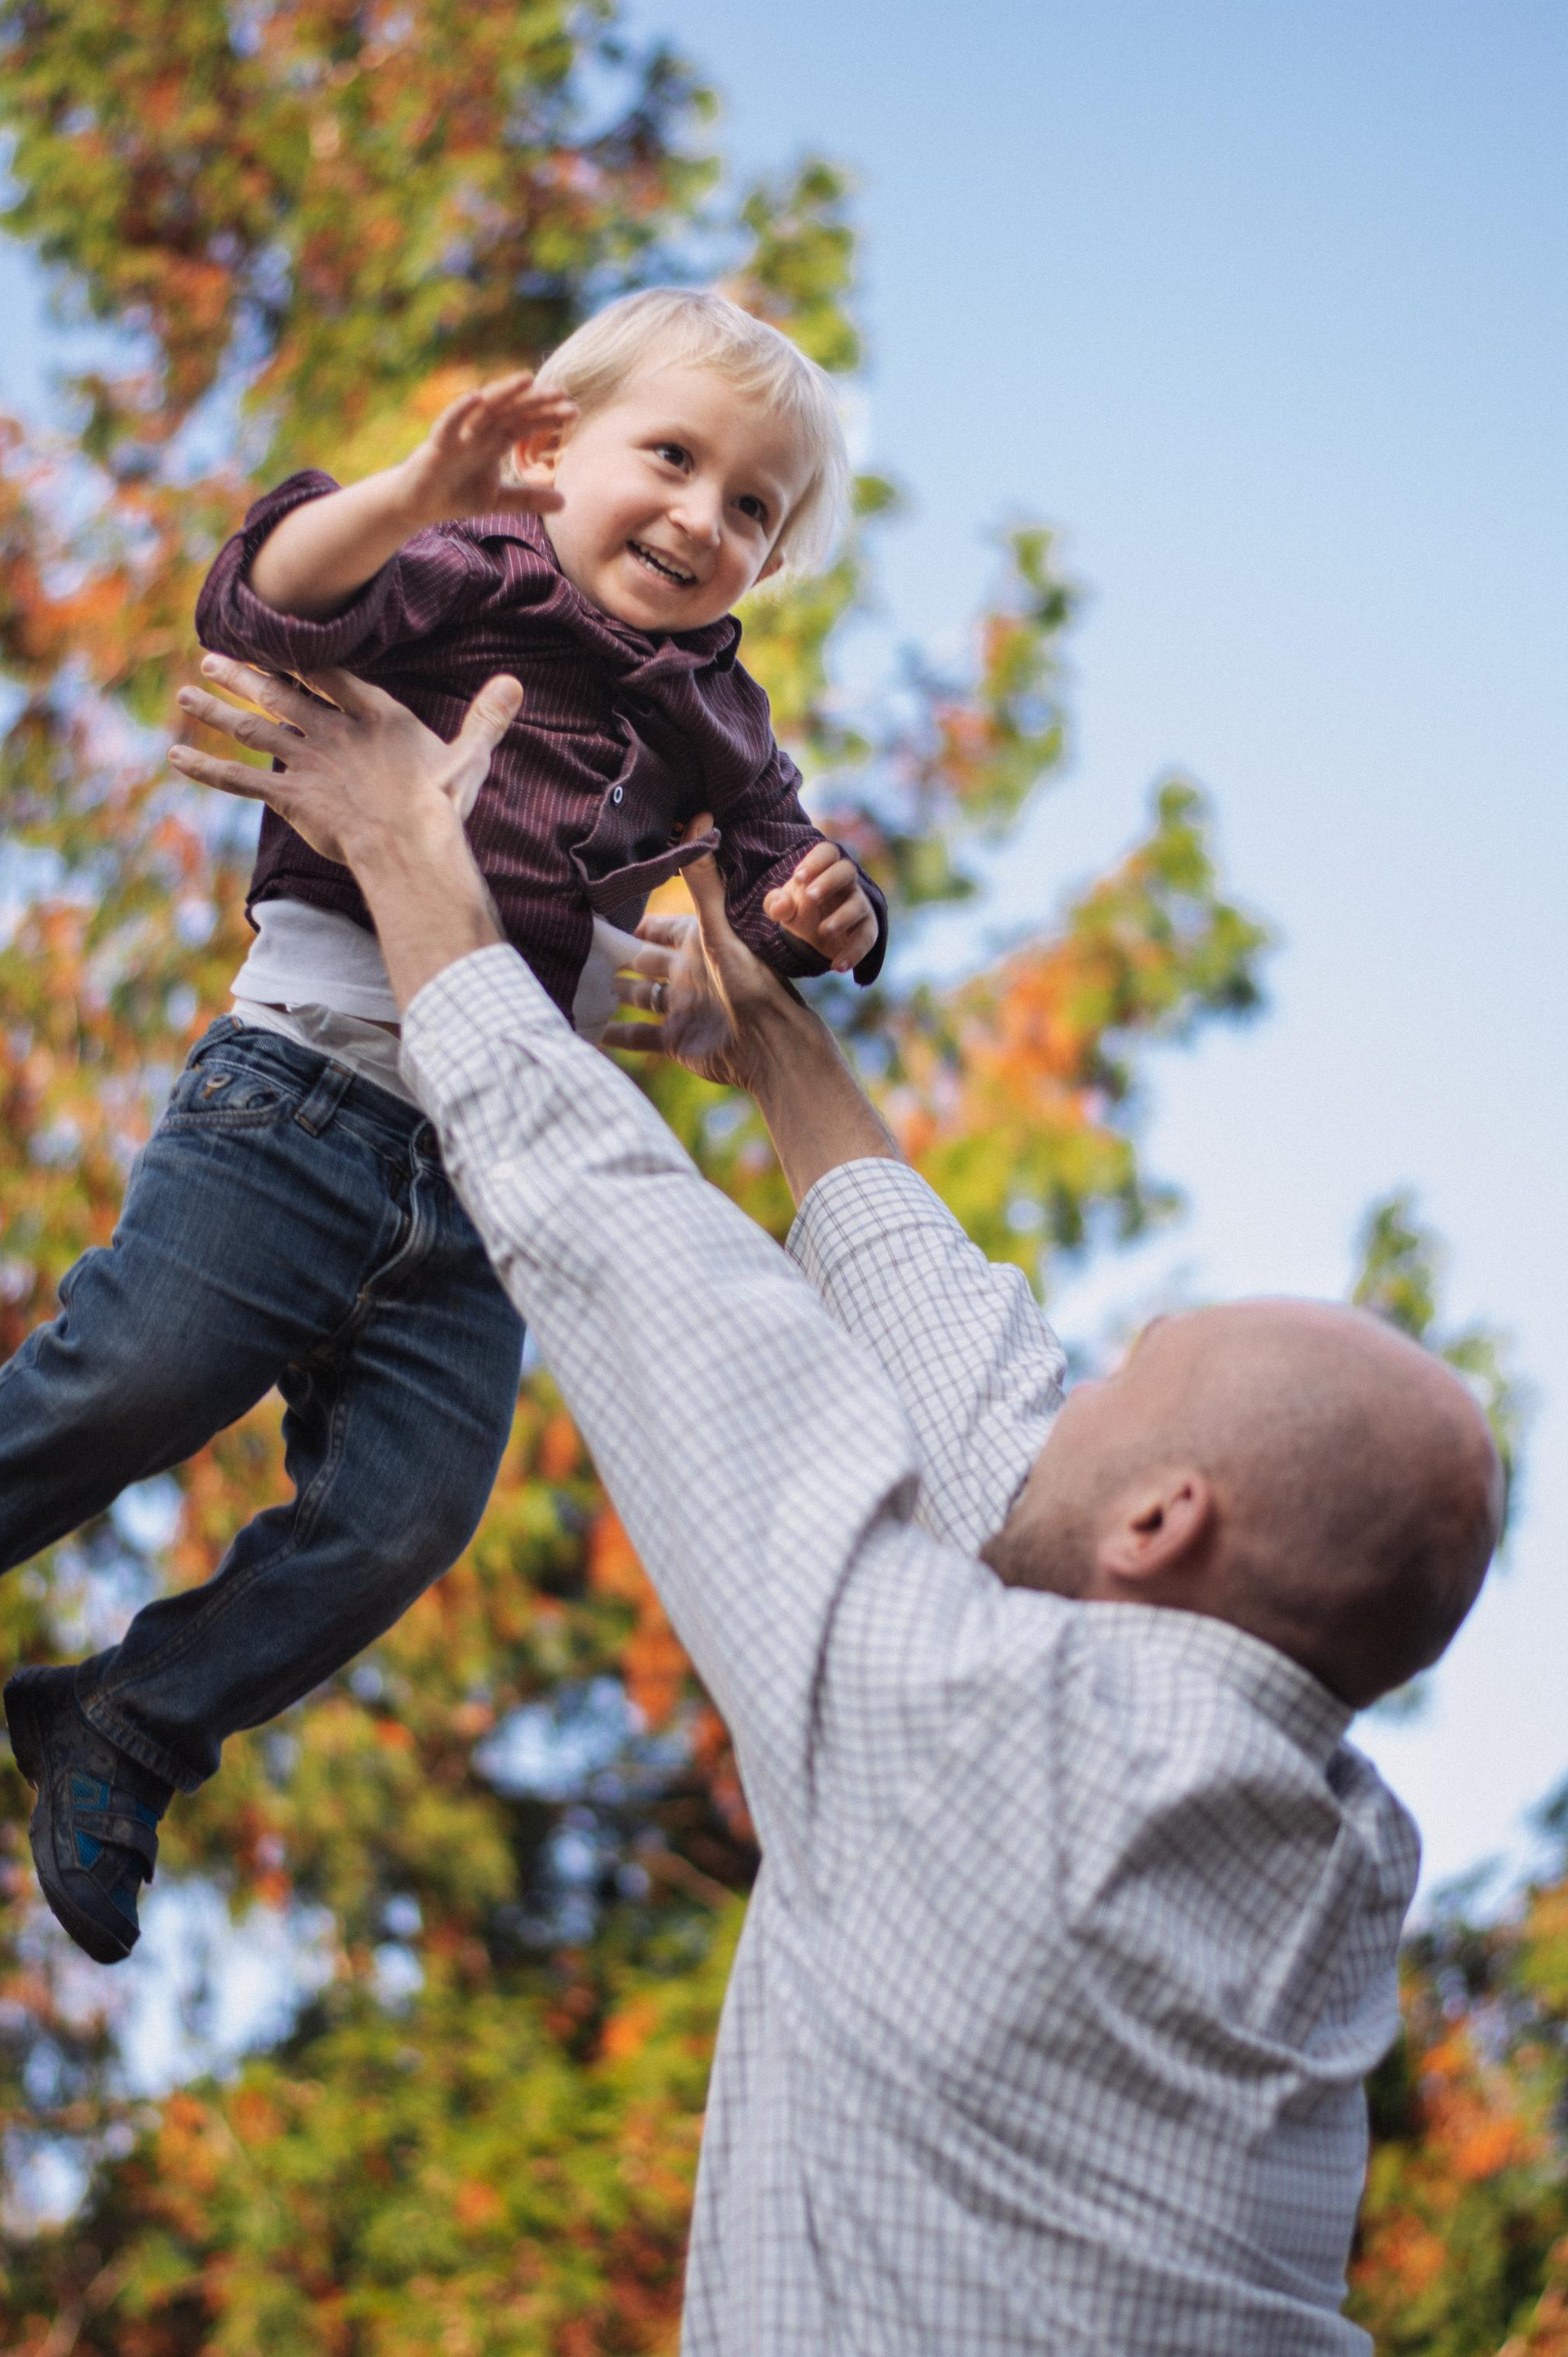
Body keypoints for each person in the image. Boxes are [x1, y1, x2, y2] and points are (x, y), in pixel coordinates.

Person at [160, 655, 1501, 2355]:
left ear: (1160, 1526)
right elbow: (981, 1395)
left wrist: (412, 852)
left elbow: (635, 1255)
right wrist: (773, 1036)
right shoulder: (1328, 1843)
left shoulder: (958, 1733)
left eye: (1117, 1382)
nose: (1063, 1391)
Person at [0, 288, 885, 1968]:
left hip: (494, 1181)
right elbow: (263, 594)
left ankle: (126, 1721)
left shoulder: (721, 711)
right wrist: (416, 489)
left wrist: (826, 916)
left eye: (751, 507)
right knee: (139, 1374)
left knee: (403, 1517)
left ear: (768, 566)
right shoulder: (473, 569)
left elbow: (762, 895)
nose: (704, 518)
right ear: (551, 450)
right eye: (674, 459)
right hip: (305, 1095)